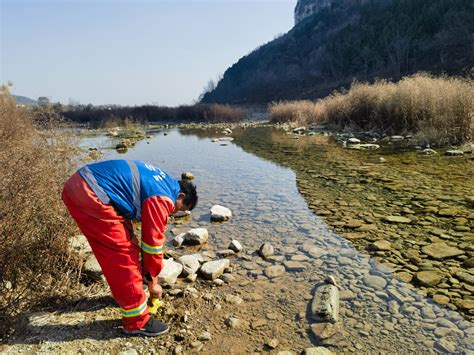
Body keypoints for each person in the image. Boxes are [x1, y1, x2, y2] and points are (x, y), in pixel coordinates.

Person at [62, 159, 197, 336]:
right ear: (180, 196)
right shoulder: (163, 197)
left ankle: (126, 296)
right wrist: (152, 281)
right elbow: (152, 246)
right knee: (123, 255)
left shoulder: (161, 181)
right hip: (92, 194)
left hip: (82, 188)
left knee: (114, 251)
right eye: (179, 209)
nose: (174, 213)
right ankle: (136, 322)